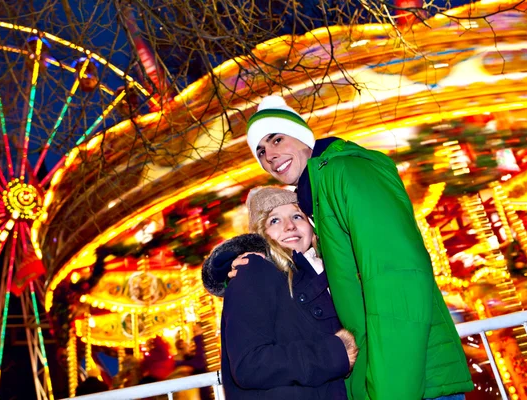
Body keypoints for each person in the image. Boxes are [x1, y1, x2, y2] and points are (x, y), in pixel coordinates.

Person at [240, 95, 473, 400]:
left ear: (302, 136)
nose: (270, 155)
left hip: (408, 380)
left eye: (277, 139)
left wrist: (391, 391)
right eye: (261, 151)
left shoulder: (347, 172)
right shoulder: (317, 198)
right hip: (383, 375)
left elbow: (395, 277)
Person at [202, 186, 358, 399]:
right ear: (260, 234)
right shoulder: (253, 270)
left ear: (311, 227)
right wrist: (333, 354)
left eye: (297, 216)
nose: (289, 226)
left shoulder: (321, 272)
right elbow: (250, 364)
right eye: (274, 220)